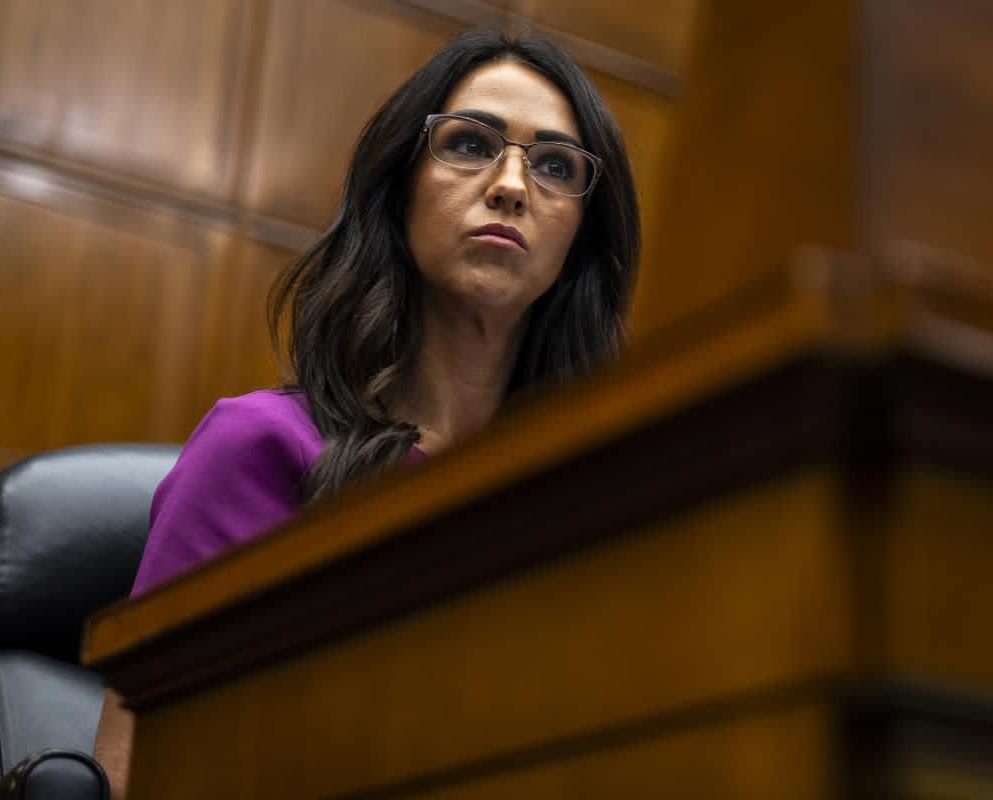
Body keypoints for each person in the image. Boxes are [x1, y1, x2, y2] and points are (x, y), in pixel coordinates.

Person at [93, 28, 639, 798]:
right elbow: (133, 771)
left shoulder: (593, 495)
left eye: (555, 165)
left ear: (581, 240)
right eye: (471, 144)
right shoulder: (261, 449)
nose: (513, 184)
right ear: (398, 187)